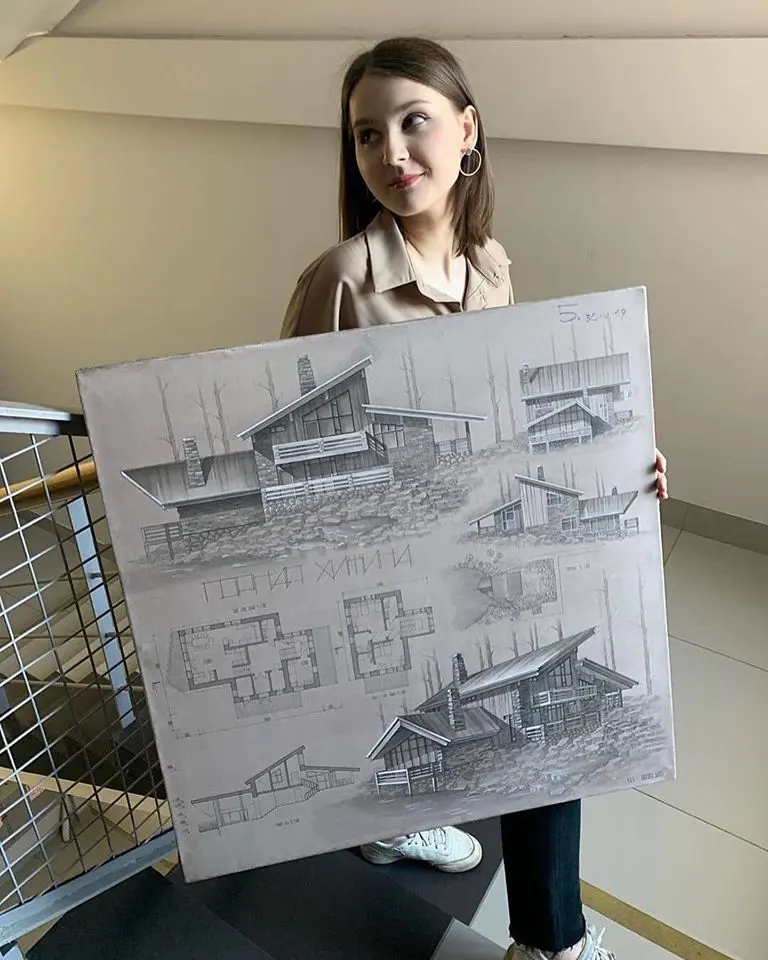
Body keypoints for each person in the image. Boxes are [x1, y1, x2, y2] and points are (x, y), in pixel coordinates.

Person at [280, 36, 668, 960]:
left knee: (538, 721)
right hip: (385, 556)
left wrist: (620, 463)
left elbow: (513, 422)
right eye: (366, 135)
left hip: (488, 553)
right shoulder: (340, 280)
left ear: (467, 130)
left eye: (413, 122)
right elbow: (290, 433)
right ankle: (412, 835)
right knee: (415, 702)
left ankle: (547, 939)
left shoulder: (490, 265)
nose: (391, 152)